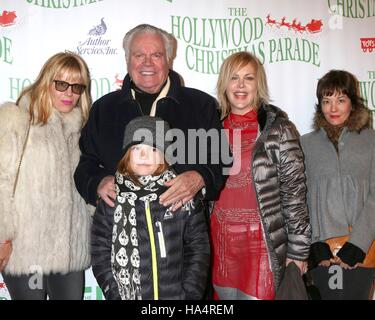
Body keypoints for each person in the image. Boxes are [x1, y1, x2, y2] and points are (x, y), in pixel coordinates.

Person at [74, 23, 230, 214]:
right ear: (127, 59)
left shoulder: (201, 105)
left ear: (168, 59)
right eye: (139, 55)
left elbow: (221, 159)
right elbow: (85, 165)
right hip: (118, 231)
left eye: (156, 55)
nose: (147, 63)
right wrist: (97, 182)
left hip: (183, 235)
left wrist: (200, 177)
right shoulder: (103, 109)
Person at [210, 51, 311, 300]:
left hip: (261, 247)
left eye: (249, 78)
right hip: (219, 245)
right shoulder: (210, 128)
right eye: (234, 78)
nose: (241, 85)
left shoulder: (279, 130)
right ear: (224, 83)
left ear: (259, 84)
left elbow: (295, 195)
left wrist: (298, 252)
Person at [0, 52, 93, 300]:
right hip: (26, 249)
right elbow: (2, 180)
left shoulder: (81, 131)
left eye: (76, 86)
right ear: (46, 82)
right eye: (61, 84)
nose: (69, 93)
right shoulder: (17, 118)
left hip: (69, 250)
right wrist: (2, 236)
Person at [91, 116, 210, 300]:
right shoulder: (113, 199)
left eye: (153, 149)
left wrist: (190, 293)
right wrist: (113, 293)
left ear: (165, 156)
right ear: (127, 155)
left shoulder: (182, 198)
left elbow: (198, 249)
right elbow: (99, 252)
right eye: (137, 148)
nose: (144, 156)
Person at [300, 69, 375, 300]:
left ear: (352, 103)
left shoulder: (371, 140)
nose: (333, 108)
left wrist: (358, 244)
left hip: (363, 251)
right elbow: (300, 199)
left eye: (340, 100)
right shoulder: (305, 143)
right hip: (321, 252)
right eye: (327, 101)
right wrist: (315, 243)